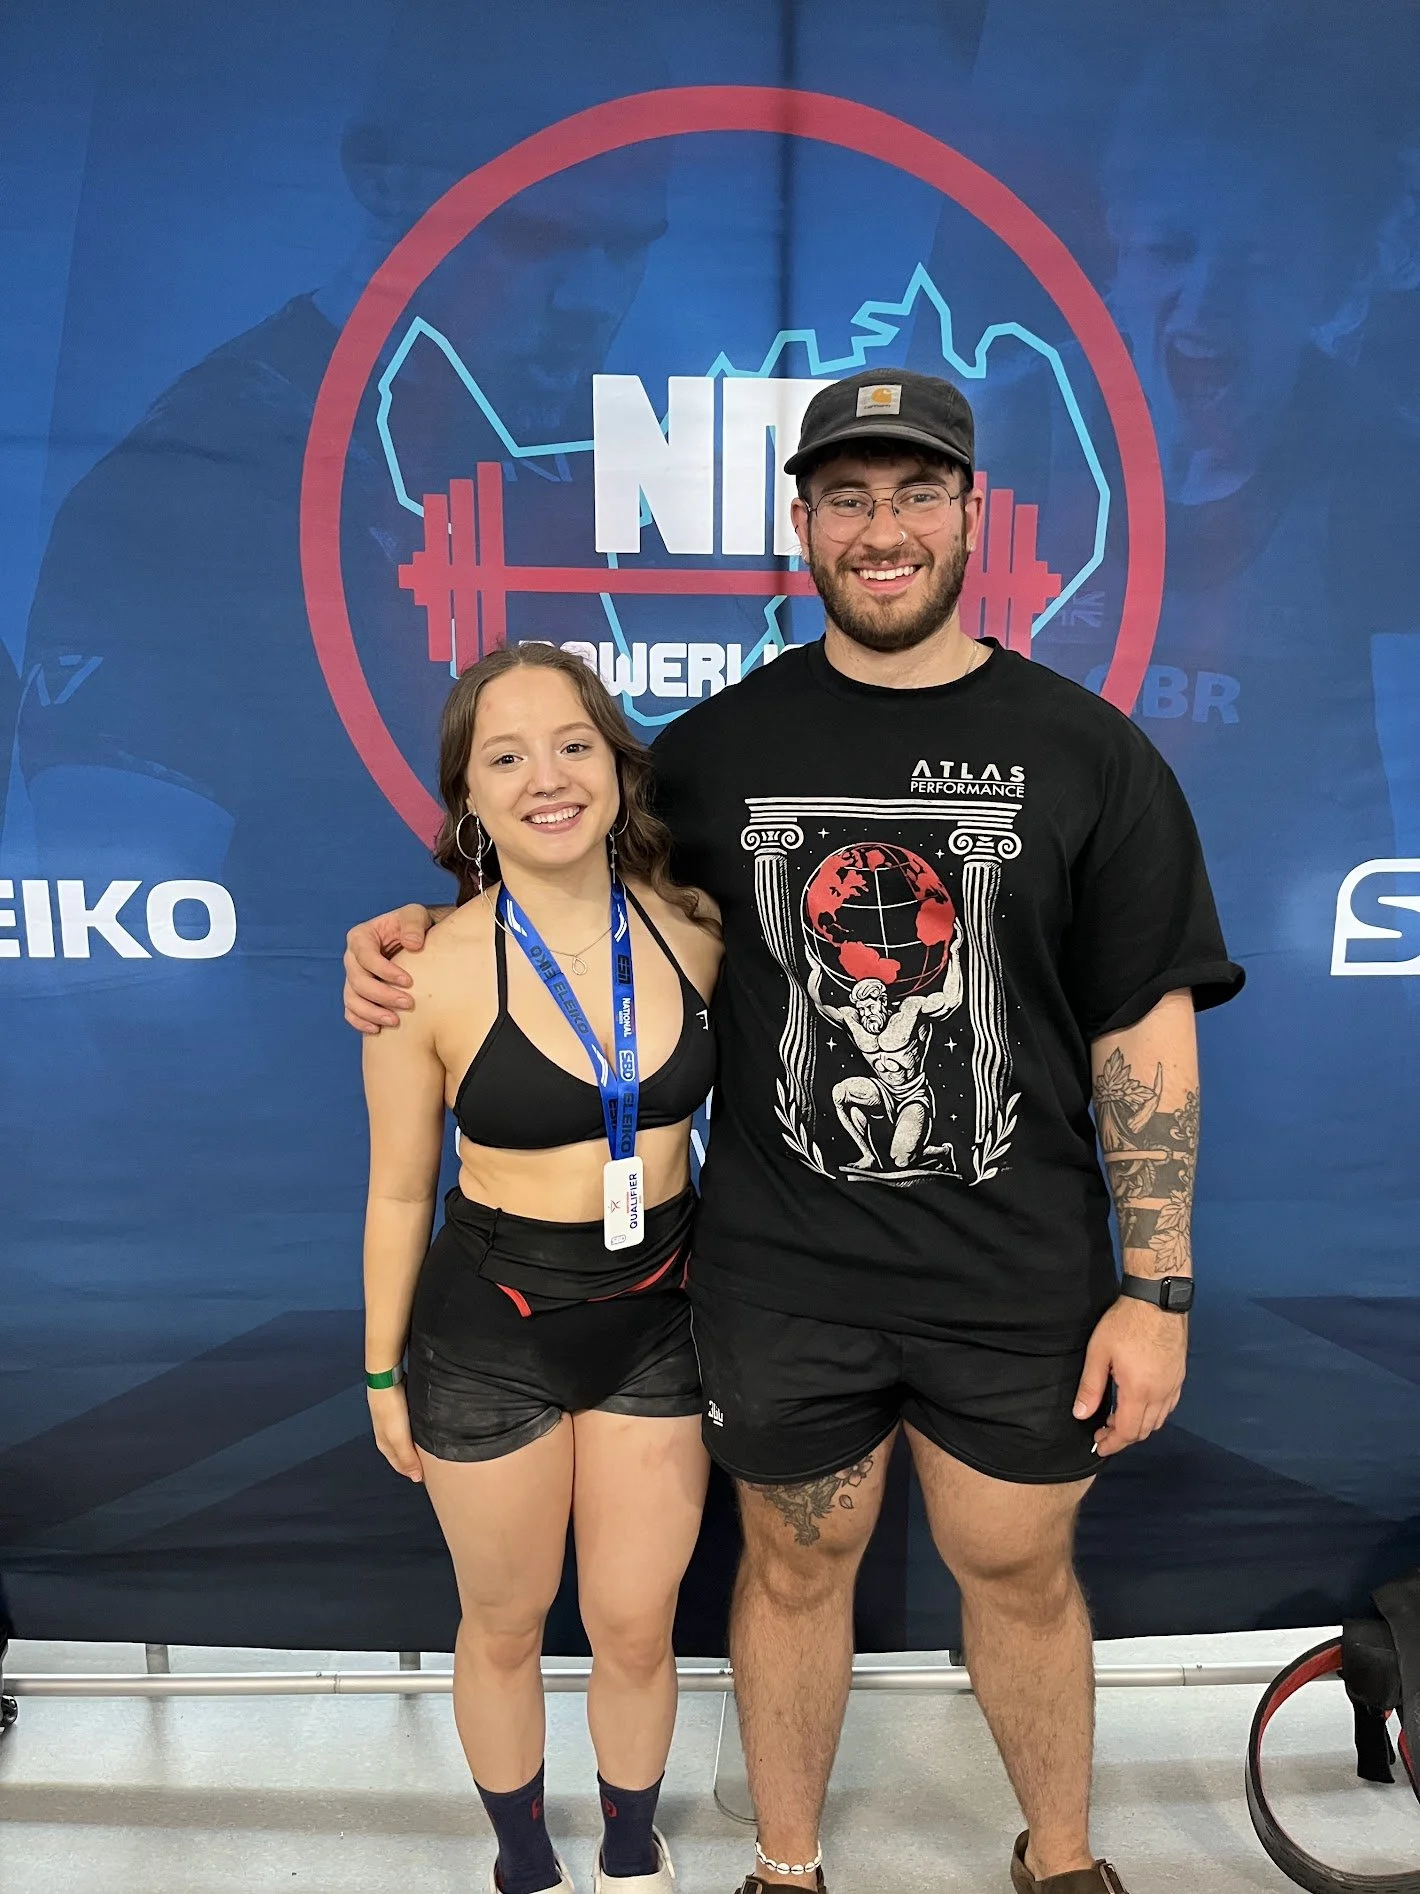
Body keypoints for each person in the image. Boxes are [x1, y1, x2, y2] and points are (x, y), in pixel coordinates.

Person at [345, 369, 1243, 1894]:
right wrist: (421, 933)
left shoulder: (1090, 756)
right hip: (778, 1281)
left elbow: (1142, 1032)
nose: (880, 529)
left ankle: (1068, 1856)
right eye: (847, 497)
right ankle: (787, 1866)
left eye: (914, 494)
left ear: (974, 515)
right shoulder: (707, 754)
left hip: (1014, 1272)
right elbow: (573, 892)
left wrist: (1154, 1290)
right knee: (793, 1561)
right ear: (803, 526)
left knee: (1022, 1571)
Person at [361, 641, 720, 1894]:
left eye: (573, 744)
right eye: (504, 755)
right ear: (467, 797)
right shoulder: (419, 975)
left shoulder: (695, 932)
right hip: (488, 1331)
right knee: (506, 1625)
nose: (545, 777)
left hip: (658, 1319)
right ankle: (523, 1863)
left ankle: (631, 1849)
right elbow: (401, 1187)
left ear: (619, 768)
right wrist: (375, 1373)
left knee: (634, 1623)